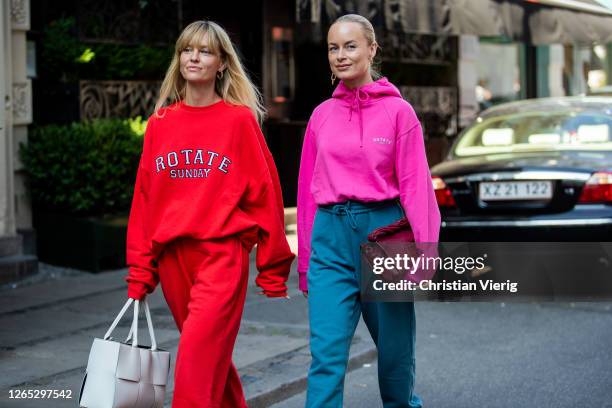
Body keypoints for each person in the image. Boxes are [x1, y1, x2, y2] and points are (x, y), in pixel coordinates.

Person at [124, 20, 295, 407]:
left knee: (194, 367)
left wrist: (272, 268)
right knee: (210, 360)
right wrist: (141, 270)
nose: (194, 57)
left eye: (204, 51)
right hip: (172, 260)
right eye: (187, 50)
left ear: (221, 63)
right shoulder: (159, 125)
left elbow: (265, 195)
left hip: (221, 257)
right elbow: (145, 201)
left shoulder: (238, 122)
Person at [297, 14, 441, 408]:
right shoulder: (321, 117)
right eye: (333, 48)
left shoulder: (399, 113)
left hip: (384, 235)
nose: (340, 55)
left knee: (395, 357)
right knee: (325, 356)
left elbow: (417, 187)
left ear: (371, 49)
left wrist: (425, 255)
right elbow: (307, 194)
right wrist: (306, 260)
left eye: (350, 46)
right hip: (330, 239)